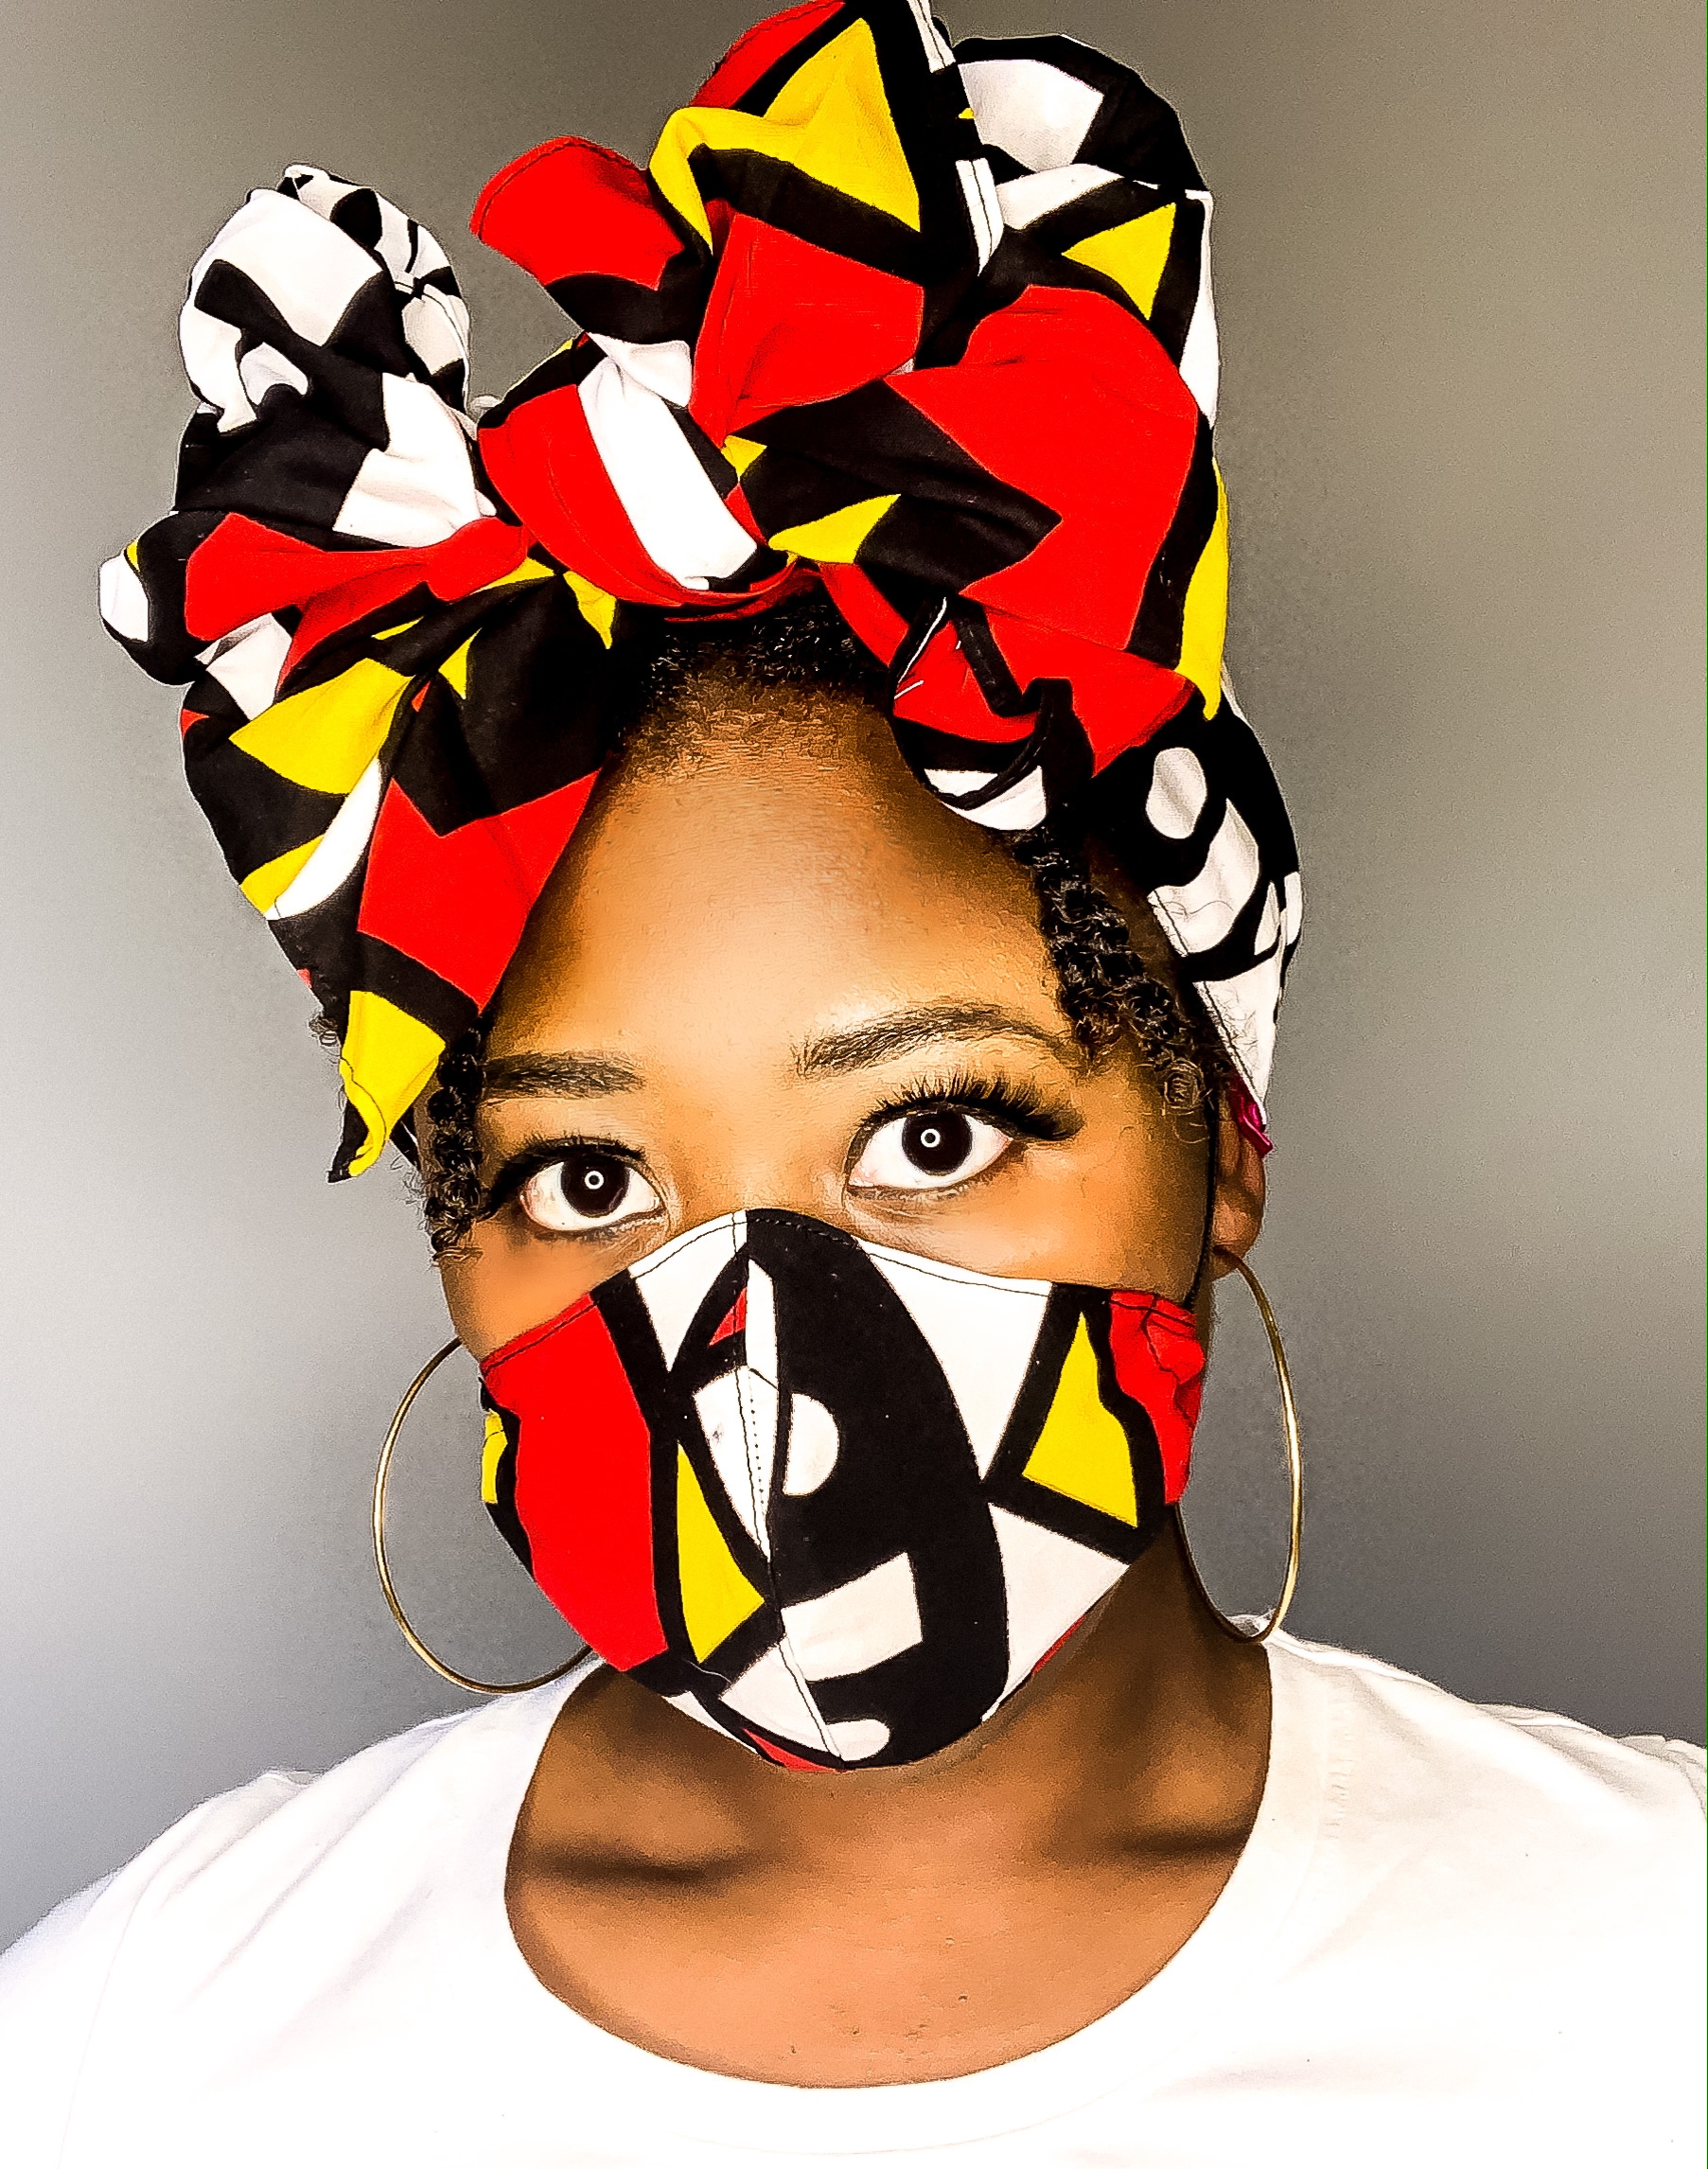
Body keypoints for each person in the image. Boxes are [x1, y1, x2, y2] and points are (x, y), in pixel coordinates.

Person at [4, 5, 1700, 2162]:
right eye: (588, 1175)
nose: (762, 1329)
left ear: (1217, 1137)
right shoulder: (156, 2031)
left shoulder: (1652, 1963)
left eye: (931, 1131)